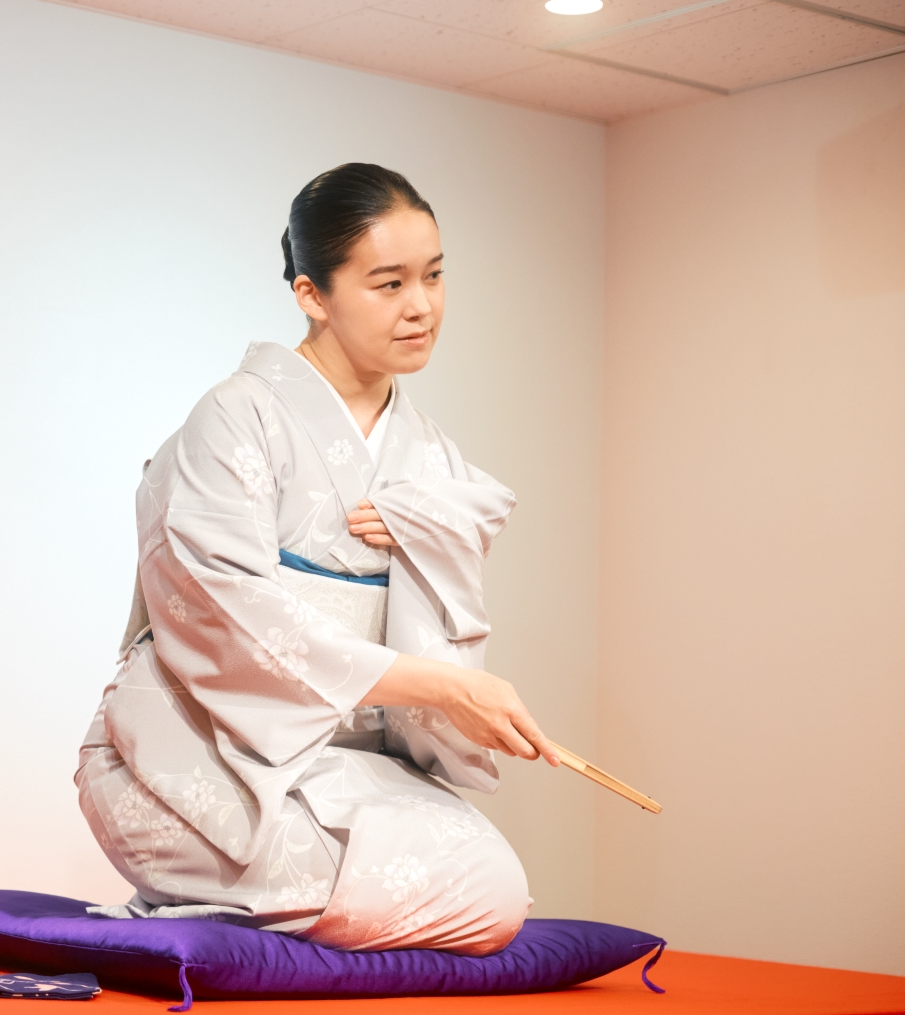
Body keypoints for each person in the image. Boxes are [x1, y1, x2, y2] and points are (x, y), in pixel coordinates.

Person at [76, 163, 561, 954]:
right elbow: (225, 609)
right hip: (196, 750)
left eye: (435, 276)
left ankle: (242, 918)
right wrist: (445, 686)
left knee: (494, 892)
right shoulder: (237, 417)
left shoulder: (431, 456)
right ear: (312, 294)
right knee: (415, 886)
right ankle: (233, 908)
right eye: (389, 283)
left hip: (346, 763)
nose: (422, 306)